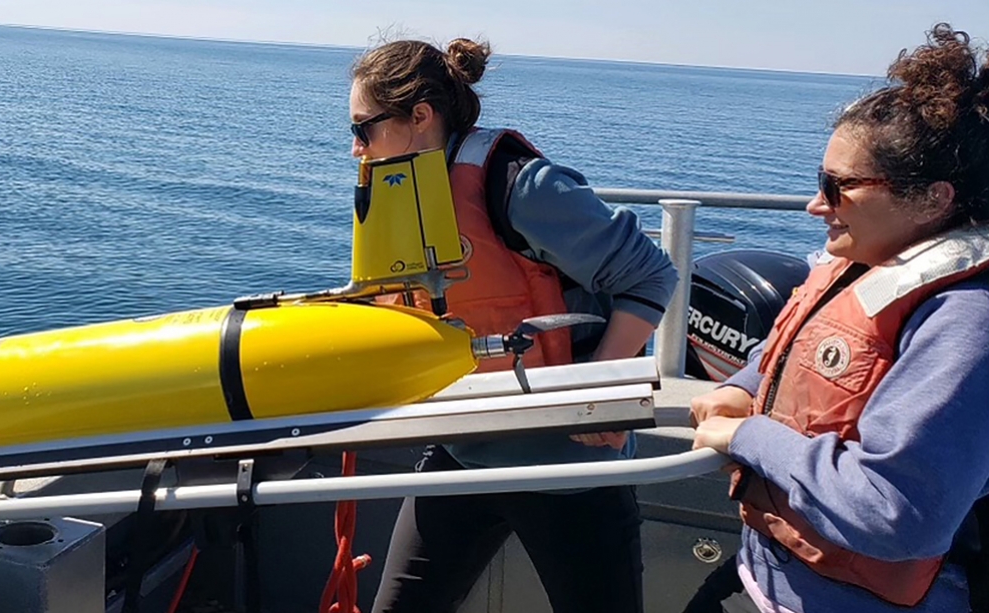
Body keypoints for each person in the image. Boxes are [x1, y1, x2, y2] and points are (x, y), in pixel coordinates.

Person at [350, 36, 679, 613]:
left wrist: (595, 391)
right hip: (462, 450)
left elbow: (651, 275)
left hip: (567, 470)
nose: (355, 150)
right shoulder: (407, 196)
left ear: (420, 117)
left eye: (363, 129)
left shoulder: (522, 185)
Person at [689, 22, 989, 613]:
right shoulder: (866, 264)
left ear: (934, 197)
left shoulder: (966, 323)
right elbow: (791, 349)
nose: (814, 204)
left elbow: (898, 512)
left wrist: (749, 435)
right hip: (771, 572)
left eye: (838, 186)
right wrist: (740, 389)